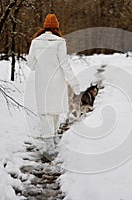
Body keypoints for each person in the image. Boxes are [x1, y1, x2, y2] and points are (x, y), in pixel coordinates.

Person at [28, 14, 80, 154]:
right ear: (57, 27)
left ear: (44, 27)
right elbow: (65, 65)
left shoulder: (36, 42)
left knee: (44, 113)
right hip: (57, 82)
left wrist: (41, 64)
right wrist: (75, 85)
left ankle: (49, 142)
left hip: (42, 83)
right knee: (55, 111)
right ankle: (54, 137)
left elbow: (31, 64)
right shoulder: (59, 42)